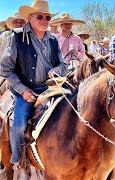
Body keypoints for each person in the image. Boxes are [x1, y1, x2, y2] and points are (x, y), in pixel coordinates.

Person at [0, 0, 66, 169]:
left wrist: (57, 70)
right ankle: (17, 158)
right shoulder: (16, 37)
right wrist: (22, 90)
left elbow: (63, 64)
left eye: (47, 17)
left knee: (72, 110)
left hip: (50, 87)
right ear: (30, 18)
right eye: (40, 16)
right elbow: (6, 69)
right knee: (20, 124)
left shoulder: (53, 40)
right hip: (26, 89)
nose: (45, 20)